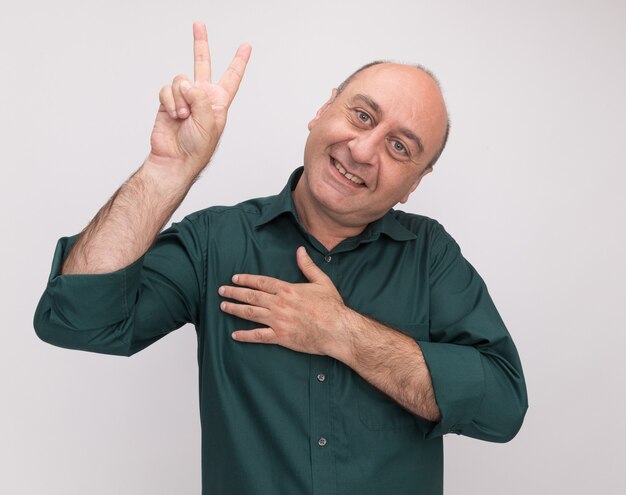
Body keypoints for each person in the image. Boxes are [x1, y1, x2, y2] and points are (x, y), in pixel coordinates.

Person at [34, 21, 527, 495]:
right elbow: (76, 320)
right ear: (323, 109)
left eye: (399, 147)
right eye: (362, 115)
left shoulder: (430, 256)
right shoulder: (215, 240)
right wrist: (169, 169)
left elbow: (503, 408)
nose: (362, 150)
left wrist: (343, 333)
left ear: (413, 184)